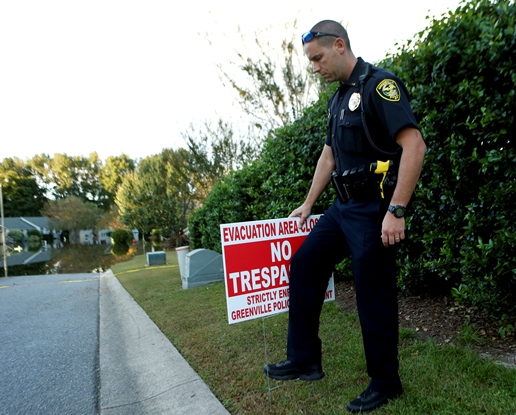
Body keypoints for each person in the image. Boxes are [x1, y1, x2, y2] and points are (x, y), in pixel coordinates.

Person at [263, 20, 426, 413]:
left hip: (374, 210)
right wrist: (308, 203)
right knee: (304, 264)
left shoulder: (378, 86)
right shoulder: (338, 99)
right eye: (310, 61)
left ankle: (386, 382)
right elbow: (329, 156)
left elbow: (414, 145)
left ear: (339, 45)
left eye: (317, 58)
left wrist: (396, 210)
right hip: (342, 209)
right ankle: (304, 359)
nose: (314, 67)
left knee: (373, 295)